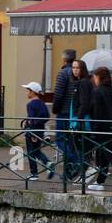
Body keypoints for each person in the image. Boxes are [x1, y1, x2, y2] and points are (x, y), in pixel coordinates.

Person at [64, 59, 94, 183]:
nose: (75, 70)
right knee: (78, 149)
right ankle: (80, 174)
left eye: (78, 68)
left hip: (81, 121)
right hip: (77, 120)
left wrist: (77, 121)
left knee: (78, 149)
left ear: (82, 69)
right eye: (73, 67)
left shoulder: (83, 83)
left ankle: (84, 172)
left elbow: (84, 104)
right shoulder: (80, 82)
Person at [51, 49, 77, 179]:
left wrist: (55, 109)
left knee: (60, 140)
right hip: (76, 113)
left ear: (64, 59)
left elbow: (59, 94)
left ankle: (77, 162)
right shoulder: (79, 73)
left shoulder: (63, 73)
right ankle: (68, 172)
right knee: (71, 143)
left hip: (64, 112)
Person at [21, 82, 53, 181]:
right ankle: (47, 163)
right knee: (36, 150)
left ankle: (34, 173)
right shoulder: (42, 103)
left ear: (33, 92)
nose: (26, 93)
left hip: (32, 131)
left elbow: (31, 119)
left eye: (27, 91)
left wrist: (32, 133)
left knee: (31, 152)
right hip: (40, 130)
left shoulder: (30, 104)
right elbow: (47, 116)